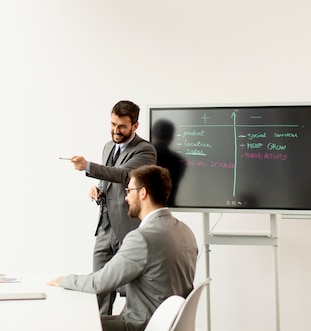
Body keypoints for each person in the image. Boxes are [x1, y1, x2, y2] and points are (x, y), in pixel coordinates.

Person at [48, 165, 198, 331]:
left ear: (143, 193)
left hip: (142, 325)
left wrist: (63, 280)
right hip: (169, 324)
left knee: (73, 324)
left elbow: (99, 283)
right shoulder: (186, 231)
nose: (126, 198)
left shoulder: (141, 238)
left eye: (129, 191)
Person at [66, 100, 157, 315]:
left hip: (127, 228)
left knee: (130, 288)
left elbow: (124, 175)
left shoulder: (145, 150)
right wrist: (97, 189)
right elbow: (108, 178)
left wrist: (88, 167)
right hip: (105, 227)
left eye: (122, 126)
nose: (116, 131)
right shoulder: (108, 146)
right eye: (113, 124)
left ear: (135, 126)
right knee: (99, 287)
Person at [151, 119, 186, 206]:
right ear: (171, 138)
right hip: (169, 206)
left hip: (149, 207)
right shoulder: (179, 161)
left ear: (153, 135)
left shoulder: (145, 156)